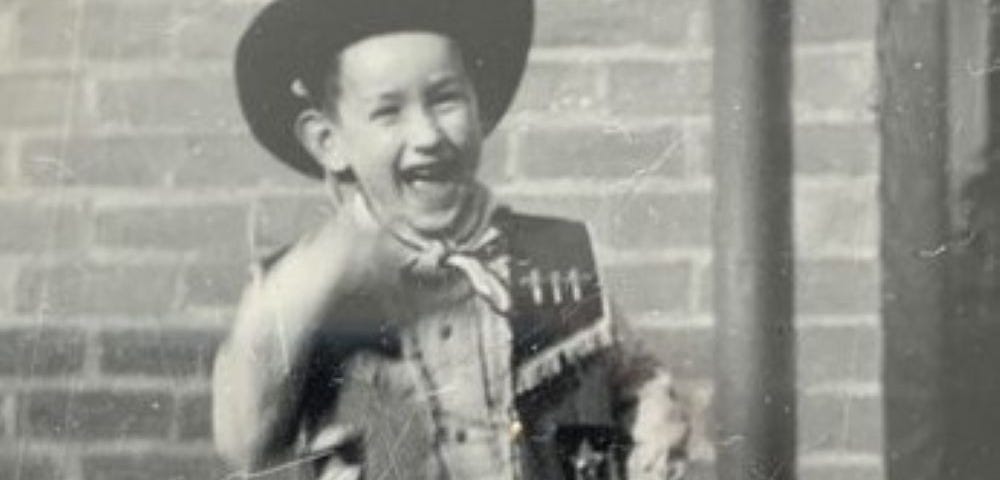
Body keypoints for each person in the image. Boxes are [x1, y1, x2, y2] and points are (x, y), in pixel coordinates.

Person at [211, 0, 690, 478]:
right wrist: (311, 287)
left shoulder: (553, 259)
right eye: (388, 112)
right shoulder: (301, 289)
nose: (426, 134)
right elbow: (244, 440)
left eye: (445, 99)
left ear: (478, 107)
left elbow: (638, 381)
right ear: (328, 142)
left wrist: (652, 451)